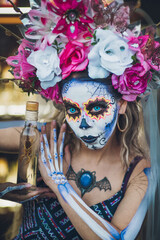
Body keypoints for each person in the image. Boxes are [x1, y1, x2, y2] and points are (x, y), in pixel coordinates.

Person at [0, 0, 160, 239]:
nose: (83, 123)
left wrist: (59, 184)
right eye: (73, 110)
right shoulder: (46, 138)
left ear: (122, 104)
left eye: (96, 108)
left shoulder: (139, 172)